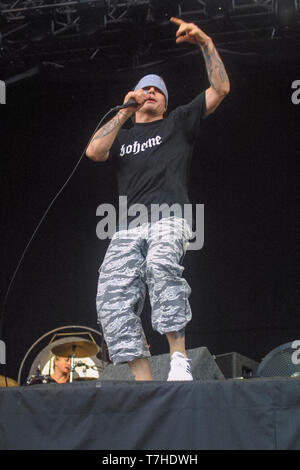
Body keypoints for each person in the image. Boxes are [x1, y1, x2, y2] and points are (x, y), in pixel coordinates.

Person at [86, 17, 230, 381]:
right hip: (126, 228)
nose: (149, 92)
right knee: (111, 298)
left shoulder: (178, 122)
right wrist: (125, 110)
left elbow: (221, 88)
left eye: (157, 90)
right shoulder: (123, 135)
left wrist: (205, 43)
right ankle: (143, 380)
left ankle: (178, 359)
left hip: (169, 218)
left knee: (161, 266)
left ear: (166, 102)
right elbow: (93, 151)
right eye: (144, 89)